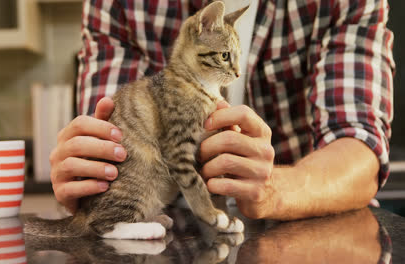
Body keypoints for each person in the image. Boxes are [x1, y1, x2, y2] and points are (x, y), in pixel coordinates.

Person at [49, 0, 394, 220]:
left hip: (308, 228)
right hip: (165, 224)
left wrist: (274, 190)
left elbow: (360, 149)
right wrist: (84, 172)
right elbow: (111, 150)